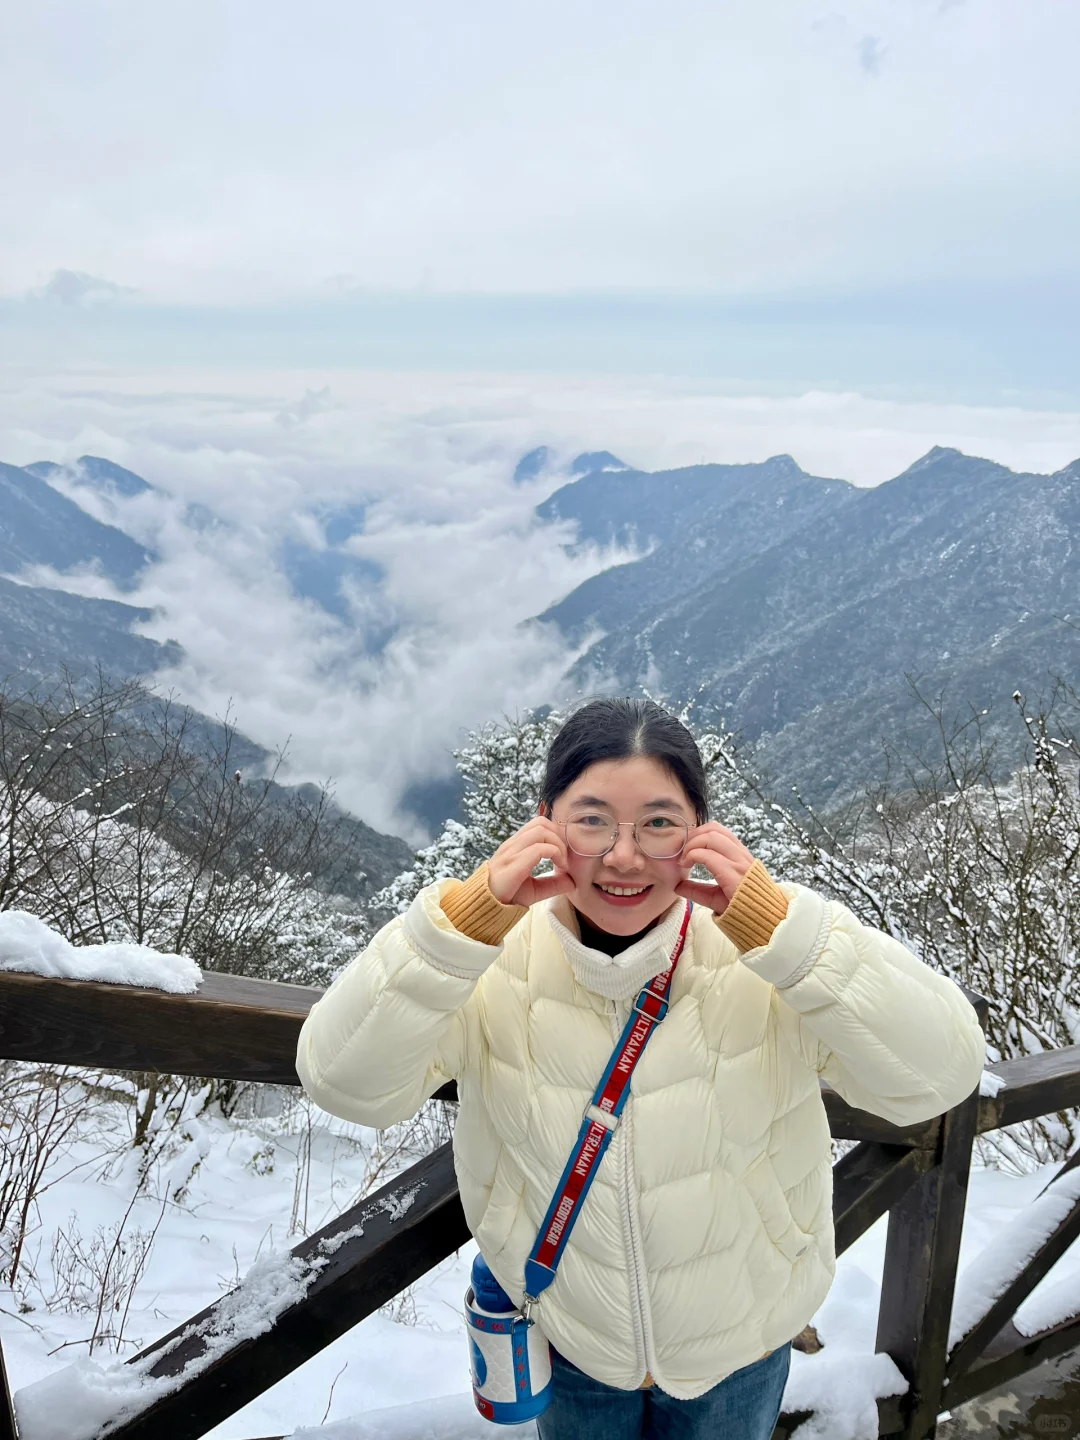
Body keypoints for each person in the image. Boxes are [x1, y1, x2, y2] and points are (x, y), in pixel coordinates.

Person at [297, 698, 985, 1439]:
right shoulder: (490, 963)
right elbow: (347, 1084)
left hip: (738, 1351)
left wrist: (783, 932)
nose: (623, 856)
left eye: (658, 822)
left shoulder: (771, 954)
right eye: (592, 819)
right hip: (574, 1341)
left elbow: (939, 1074)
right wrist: (466, 923)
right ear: (544, 822)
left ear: (701, 832)